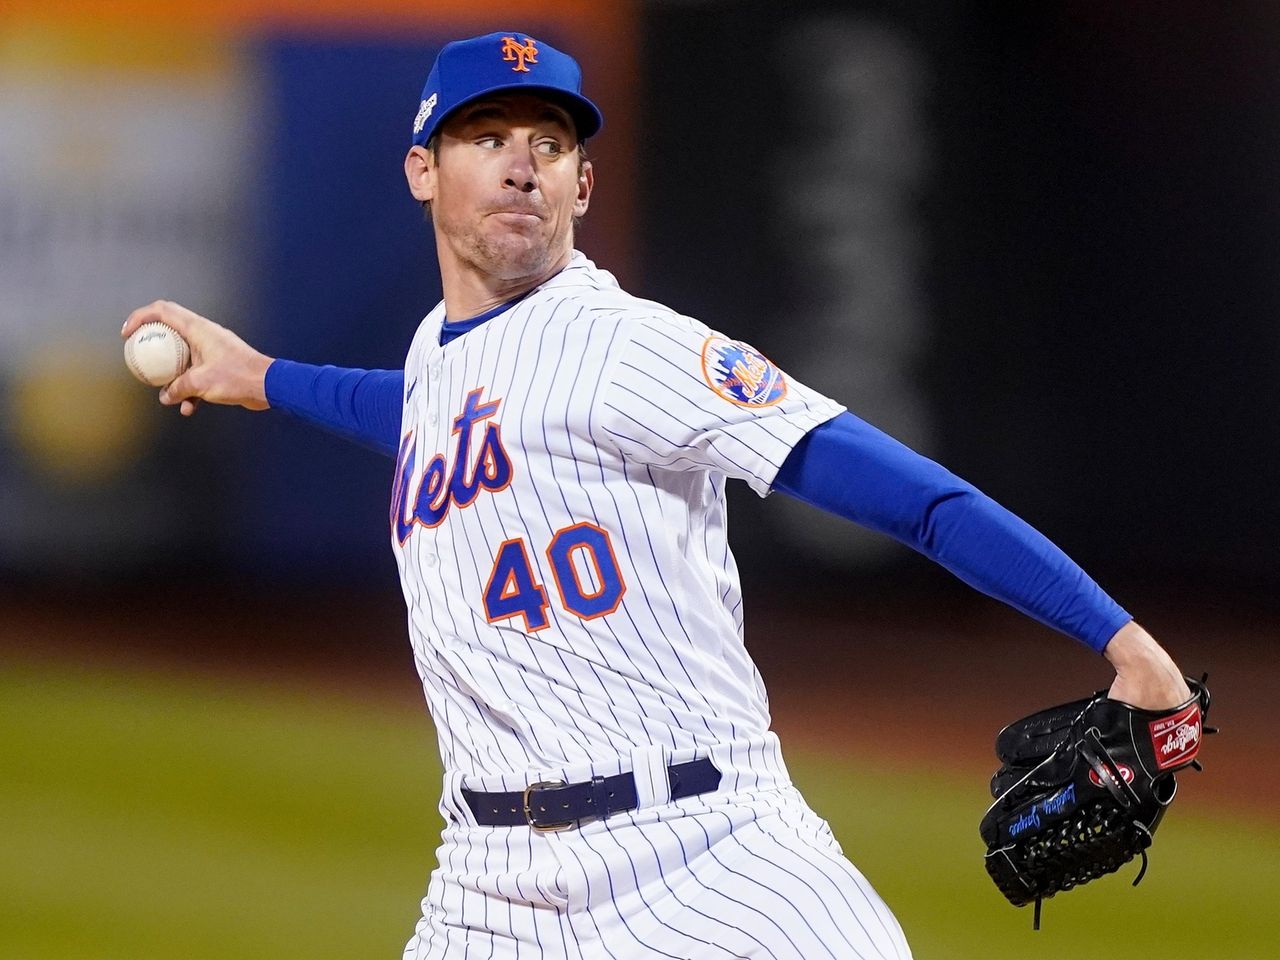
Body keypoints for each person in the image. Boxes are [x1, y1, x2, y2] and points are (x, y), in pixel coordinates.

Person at [121, 31, 1193, 960]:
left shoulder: (631, 348)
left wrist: (1121, 643)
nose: (519, 168)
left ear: (581, 186)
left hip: (710, 852)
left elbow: (908, 494)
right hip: (486, 886)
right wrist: (262, 378)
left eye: (548, 145)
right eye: (486, 139)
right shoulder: (441, 356)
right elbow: (417, 406)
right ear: (420, 170)